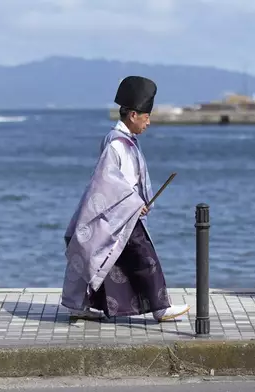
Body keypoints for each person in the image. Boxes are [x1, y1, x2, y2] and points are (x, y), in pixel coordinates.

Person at [60, 76, 191, 321]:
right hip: (118, 213)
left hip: (125, 211)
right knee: (145, 259)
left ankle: (79, 306)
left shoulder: (126, 141)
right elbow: (108, 183)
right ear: (132, 115)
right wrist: (134, 203)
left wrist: (136, 202)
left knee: (105, 259)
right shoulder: (116, 144)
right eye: (146, 117)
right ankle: (160, 309)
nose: (149, 123)